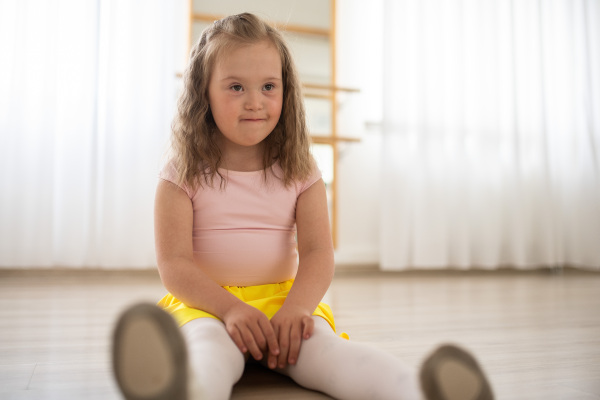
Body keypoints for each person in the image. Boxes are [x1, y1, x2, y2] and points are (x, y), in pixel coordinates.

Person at [111, 13, 494, 400]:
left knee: (332, 355)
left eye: (268, 86)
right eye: (236, 87)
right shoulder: (181, 171)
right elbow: (174, 265)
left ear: (286, 90)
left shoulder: (300, 167)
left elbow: (317, 253)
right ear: (203, 92)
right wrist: (229, 310)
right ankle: (177, 392)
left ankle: (420, 391)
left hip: (285, 302)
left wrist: (296, 310)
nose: (255, 102)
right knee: (209, 349)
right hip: (207, 306)